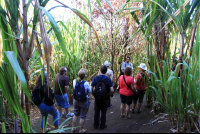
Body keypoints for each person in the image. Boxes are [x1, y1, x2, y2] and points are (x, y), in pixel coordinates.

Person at [91, 65, 114, 130]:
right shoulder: (108, 79)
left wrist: (94, 94)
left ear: (100, 70)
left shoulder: (95, 78)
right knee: (103, 112)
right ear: (106, 71)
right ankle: (102, 125)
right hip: (105, 98)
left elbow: (91, 88)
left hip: (97, 98)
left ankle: (96, 125)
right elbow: (112, 90)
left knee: (96, 111)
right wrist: (109, 95)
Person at [71, 69, 92, 133]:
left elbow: (75, 89)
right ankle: (81, 130)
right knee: (82, 116)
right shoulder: (86, 83)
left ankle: (73, 128)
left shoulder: (74, 81)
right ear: (85, 76)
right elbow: (89, 91)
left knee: (75, 114)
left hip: (76, 100)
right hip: (84, 101)